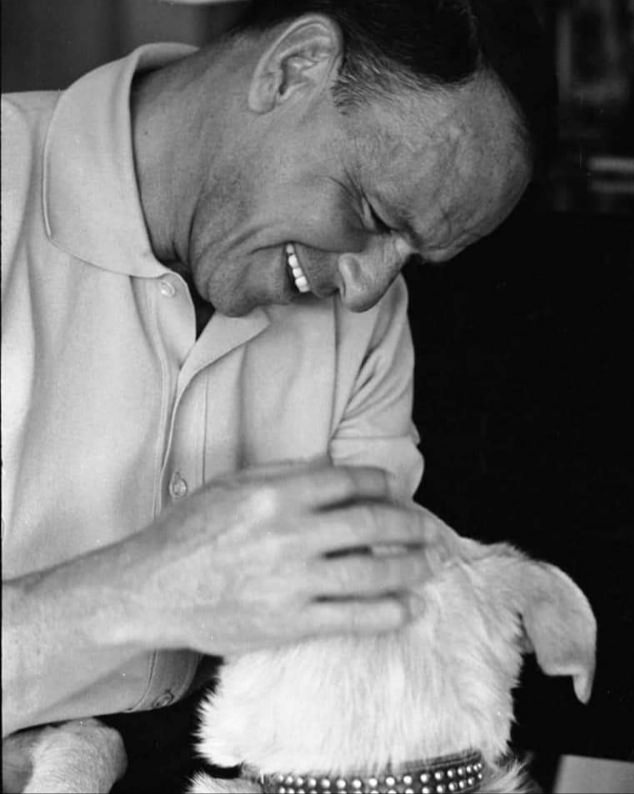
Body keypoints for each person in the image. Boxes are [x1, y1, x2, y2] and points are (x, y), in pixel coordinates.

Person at [2, 0, 553, 744]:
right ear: (294, 68)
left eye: (415, 258)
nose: (366, 291)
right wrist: (144, 588)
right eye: (373, 212)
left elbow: (352, 646)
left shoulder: (366, 315)